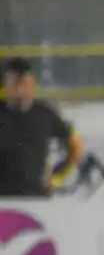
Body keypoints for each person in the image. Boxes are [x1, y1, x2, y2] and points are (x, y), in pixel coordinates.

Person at [0, 58, 83, 198]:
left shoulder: (45, 113)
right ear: (6, 84)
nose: (20, 89)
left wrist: (56, 177)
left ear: (32, 84)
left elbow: (75, 147)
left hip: (37, 199)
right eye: (14, 83)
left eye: (24, 83)